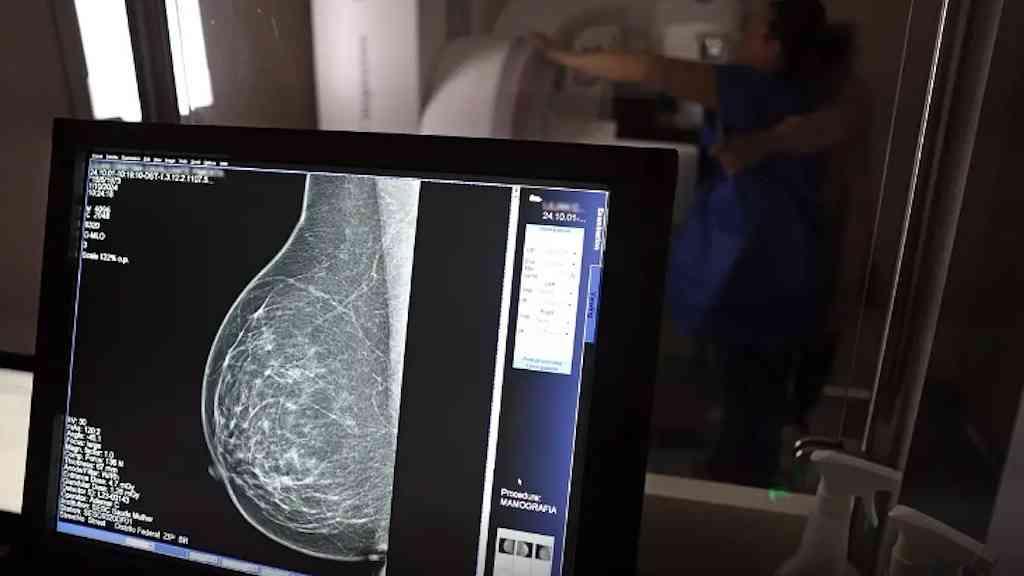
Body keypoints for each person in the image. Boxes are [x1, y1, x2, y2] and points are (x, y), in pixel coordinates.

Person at [534, 0, 855, 487]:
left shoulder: (751, 89)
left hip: (749, 276)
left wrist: (560, 55)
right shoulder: (821, 93)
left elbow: (649, 68)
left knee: (742, 400)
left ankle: (732, 487)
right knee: (756, 399)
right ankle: (743, 474)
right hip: (792, 273)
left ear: (773, 45)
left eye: (750, 28)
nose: (739, 37)